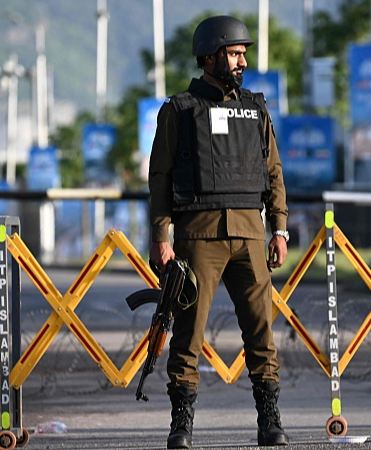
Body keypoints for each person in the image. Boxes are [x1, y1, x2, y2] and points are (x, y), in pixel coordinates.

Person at [148, 15, 290, 449]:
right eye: (234, 52)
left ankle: (270, 421)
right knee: (188, 334)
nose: (242, 60)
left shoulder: (256, 108)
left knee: (261, 333)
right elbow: (160, 178)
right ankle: (181, 424)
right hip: (199, 237)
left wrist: (280, 228)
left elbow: (273, 172)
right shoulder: (178, 111)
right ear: (209, 56)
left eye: (243, 52)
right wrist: (161, 237)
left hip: (250, 234)